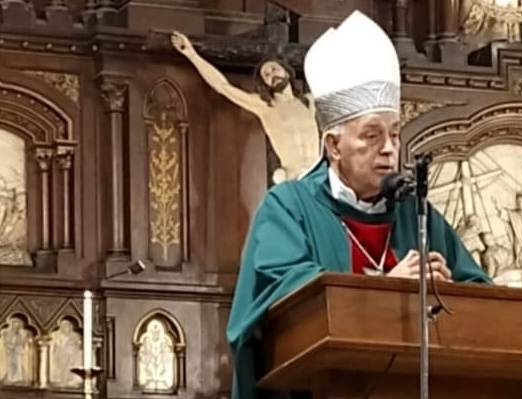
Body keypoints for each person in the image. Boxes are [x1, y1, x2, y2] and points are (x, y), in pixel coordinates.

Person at [226, 10, 491, 399]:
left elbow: (484, 301)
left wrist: (445, 293)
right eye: (371, 135)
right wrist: (382, 290)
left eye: (395, 134)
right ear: (333, 146)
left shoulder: (416, 215)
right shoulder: (289, 208)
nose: (388, 149)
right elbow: (286, 307)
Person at [170, 32, 320, 183]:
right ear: (265, 84)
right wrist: (192, 55)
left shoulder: (308, 101)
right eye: (266, 75)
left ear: (286, 71)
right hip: (294, 181)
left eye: (275, 69)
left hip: (319, 178)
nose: (272, 75)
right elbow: (222, 86)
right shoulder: (265, 106)